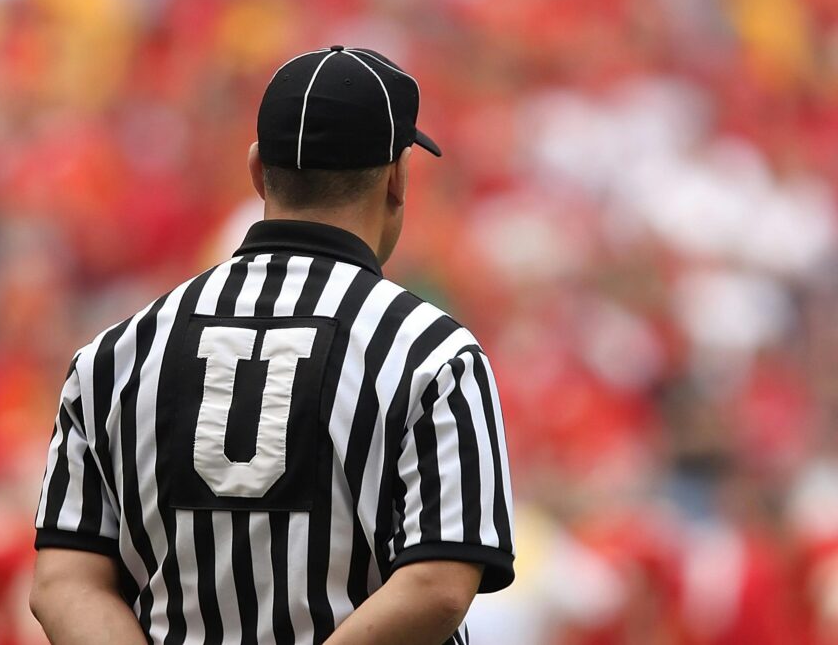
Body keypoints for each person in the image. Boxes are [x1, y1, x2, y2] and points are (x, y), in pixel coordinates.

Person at [29, 45, 515, 645]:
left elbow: (63, 583)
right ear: (396, 178)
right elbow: (440, 583)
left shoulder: (114, 355)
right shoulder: (434, 353)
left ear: (258, 171)